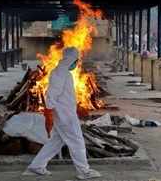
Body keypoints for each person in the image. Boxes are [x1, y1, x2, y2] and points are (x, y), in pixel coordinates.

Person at [23, 47, 102, 180]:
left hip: (65, 114)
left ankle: (37, 166)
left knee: (56, 142)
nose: (76, 64)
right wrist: (49, 115)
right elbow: (51, 95)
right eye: (76, 61)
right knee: (77, 142)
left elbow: (64, 95)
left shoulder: (63, 72)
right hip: (65, 116)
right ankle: (84, 171)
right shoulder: (60, 73)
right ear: (71, 60)